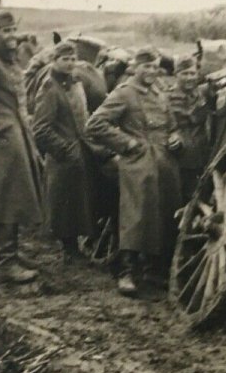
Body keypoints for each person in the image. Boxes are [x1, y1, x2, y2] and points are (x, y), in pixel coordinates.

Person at [84, 47, 181, 297]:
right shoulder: (125, 93)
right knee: (135, 215)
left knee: (162, 215)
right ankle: (125, 272)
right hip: (138, 162)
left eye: (155, 67)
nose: (151, 71)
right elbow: (95, 124)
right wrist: (126, 143)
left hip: (164, 162)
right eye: (146, 66)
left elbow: (172, 124)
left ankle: (152, 271)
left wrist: (175, 136)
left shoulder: (160, 92)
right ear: (135, 67)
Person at [0, 11, 45, 284]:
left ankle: (11, 252)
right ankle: (5, 261)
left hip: (18, 136)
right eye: (4, 31)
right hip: (3, 139)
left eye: (13, 30)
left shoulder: (10, 62)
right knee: (7, 198)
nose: (11, 35)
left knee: (15, 196)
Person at [32, 41, 97, 264]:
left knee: (79, 202)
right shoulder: (50, 88)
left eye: (73, 59)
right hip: (63, 156)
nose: (70, 63)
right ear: (54, 60)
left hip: (80, 150)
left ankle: (77, 248)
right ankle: (69, 250)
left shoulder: (76, 83)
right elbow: (41, 129)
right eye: (64, 59)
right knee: (65, 205)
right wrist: (64, 150)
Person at [166, 55, 213, 205]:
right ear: (176, 74)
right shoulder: (166, 97)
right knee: (177, 198)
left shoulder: (201, 93)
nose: (189, 78)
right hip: (178, 157)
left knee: (201, 194)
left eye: (192, 73)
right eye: (184, 73)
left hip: (201, 153)